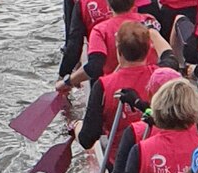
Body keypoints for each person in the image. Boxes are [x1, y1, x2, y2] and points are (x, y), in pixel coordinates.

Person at [76, 18, 179, 158]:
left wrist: (76, 126)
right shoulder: (162, 75)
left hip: (119, 159)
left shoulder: (102, 86)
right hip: (156, 153)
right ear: (149, 49)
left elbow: (87, 139)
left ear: (119, 51)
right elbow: (169, 55)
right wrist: (152, 32)